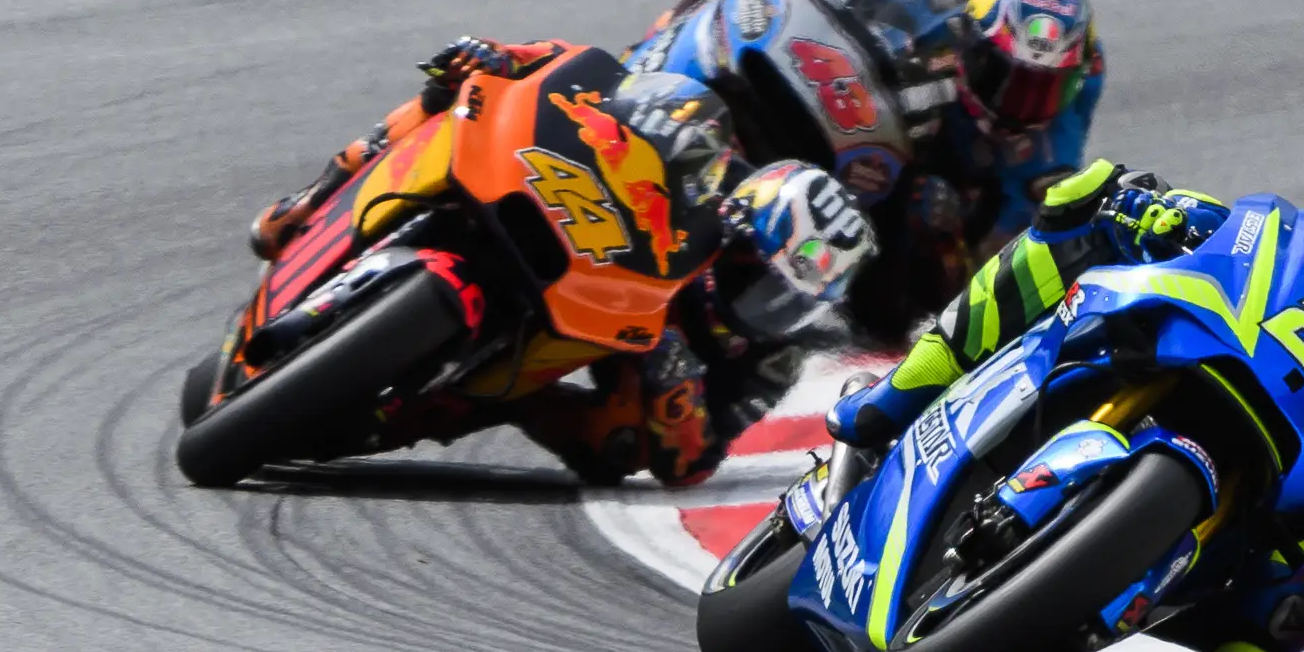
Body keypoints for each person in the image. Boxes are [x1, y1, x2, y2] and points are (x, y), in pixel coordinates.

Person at [824, 161, 1304, 652]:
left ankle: (1076, 602)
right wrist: (1175, 215)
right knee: (1084, 204)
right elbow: (1282, 249)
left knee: (1272, 632)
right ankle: (904, 389)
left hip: (1293, 514)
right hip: (1263, 379)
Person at [248, 40, 878, 485]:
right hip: (579, 222)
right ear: (738, 227)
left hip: (613, 338)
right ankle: (312, 201)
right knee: (453, 94)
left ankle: (430, 410)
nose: (764, 305)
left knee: (618, 446)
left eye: (787, 300)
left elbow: (693, 463)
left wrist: (675, 380)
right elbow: (601, 82)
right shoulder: (713, 165)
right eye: (757, 275)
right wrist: (504, 58)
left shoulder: (777, 352)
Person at [678, 0, 1105, 327]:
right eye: (1006, 78)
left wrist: (952, 233)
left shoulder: (1056, 135)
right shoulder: (953, 0)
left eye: (1046, 88)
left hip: (950, 209)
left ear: (1079, 73)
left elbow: (1018, 247)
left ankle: (847, 325)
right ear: (973, 44)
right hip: (875, 120)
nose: (1022, 104)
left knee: (915, 214)